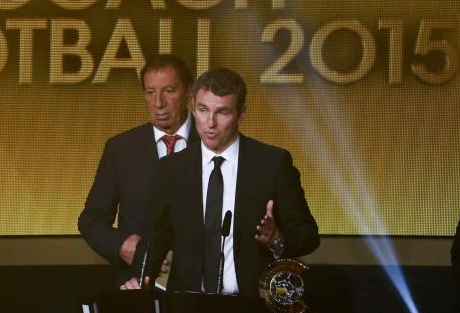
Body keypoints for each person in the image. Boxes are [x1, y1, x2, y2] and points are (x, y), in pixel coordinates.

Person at [123, 67, 320, 294]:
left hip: (254, 307)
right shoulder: (172, 169)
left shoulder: (272, 164)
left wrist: (276, 238)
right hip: (189, 308)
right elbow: (154, 239)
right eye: (203, 109)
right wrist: (140, 278)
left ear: (241, 114)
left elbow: (308, 236)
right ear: (193, 108)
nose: (210, 123)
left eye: (222, 112)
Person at [78, 54, 199, 285]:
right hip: (138, 284)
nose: (158, 103)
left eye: (169, 91)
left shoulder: (212, 143)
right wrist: (121, 244)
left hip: (201, 287)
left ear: (189, 92)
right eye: (150, 92)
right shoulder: (121, 149)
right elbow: (91, 219)